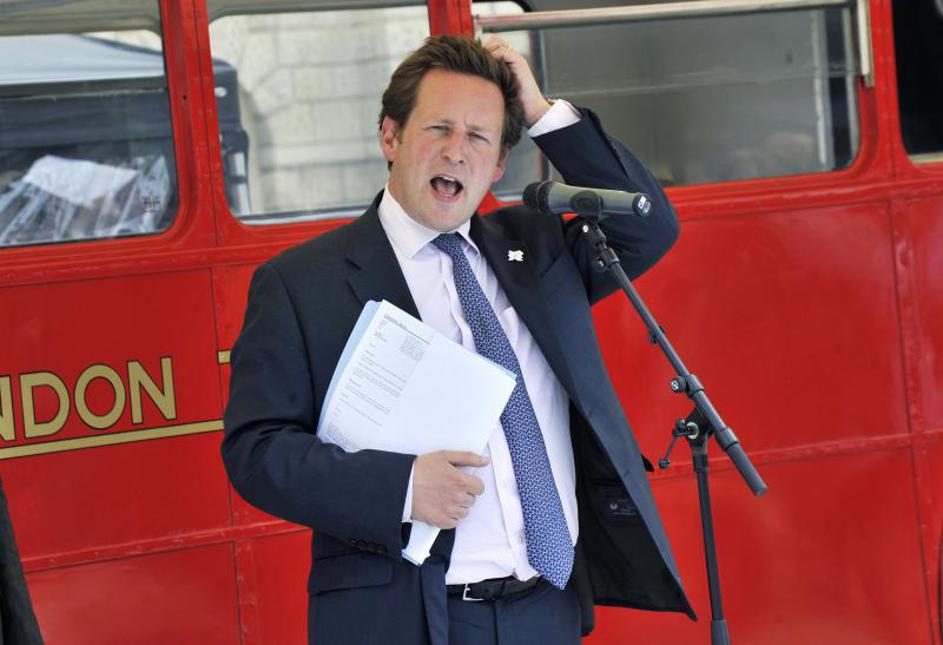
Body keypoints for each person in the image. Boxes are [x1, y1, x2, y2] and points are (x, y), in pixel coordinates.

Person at [222, 34, 693, 645]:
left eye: (478, 137)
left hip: (548, 605)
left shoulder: (539, 247)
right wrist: (401, 488)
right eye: (438, 128)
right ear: (390, 137)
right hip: (413, 616)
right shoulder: (301, 282)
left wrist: (541, 113)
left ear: (498, 165)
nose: (456, 151)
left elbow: (648, 226)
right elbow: (256, 451)